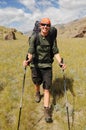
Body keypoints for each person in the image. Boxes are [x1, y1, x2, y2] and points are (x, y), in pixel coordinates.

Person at [23, 18, 66, 123]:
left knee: (47, 89)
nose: (45, 27)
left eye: (47, 25)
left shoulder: (51, 39)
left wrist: (60, 62)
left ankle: (46, 110)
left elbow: (55, 52)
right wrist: (28, 60)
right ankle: (37, 92)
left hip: (47, 66)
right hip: (36, 65)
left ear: (49, 27)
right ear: (40, 26)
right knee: (37, 82)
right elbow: (31, 52)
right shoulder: (34, 37)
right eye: (43, 25)